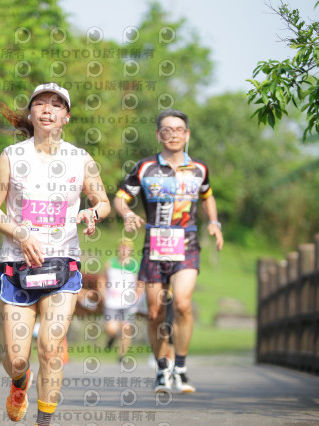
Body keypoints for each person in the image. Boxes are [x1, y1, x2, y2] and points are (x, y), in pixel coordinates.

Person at [0, 83, 110, 425]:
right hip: (17, 267)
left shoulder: (81, 159)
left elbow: (103, 202)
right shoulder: (12, 157)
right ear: (31, 114)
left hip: (63, 265)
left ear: (66, 116)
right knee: (18, 358)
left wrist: (92, 214)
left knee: (51, 349)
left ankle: (44, 422)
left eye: (57, 104)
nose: (48, 109)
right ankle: (19, 383)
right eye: (40, 103)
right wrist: (20, 233)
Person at [113, 108, 223, 394]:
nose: (173, 134)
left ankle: (182, 369)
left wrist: (214, 223)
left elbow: (208, 195)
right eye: (167, 130)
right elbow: (120, 198)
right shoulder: (145, 168)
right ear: (158, 135)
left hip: (187, 244)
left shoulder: (199, 169)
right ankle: (162, 370)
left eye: (178, 130)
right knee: (154, 313)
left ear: (186, 135)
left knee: (183, 304)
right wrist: (126, 213)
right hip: (154, 246)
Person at [98, 240, 142, 361]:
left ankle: (122, 355)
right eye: (122, 247)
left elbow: (140, 283)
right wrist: (102, 293)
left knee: (126, 327)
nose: (124, 250)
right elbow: (102, 279)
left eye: (126, 248)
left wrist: (138, 295)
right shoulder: (110, 263)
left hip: (128, 302)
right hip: (112, 301)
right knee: (111, 328)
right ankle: (112, 338)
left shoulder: (134, 265)